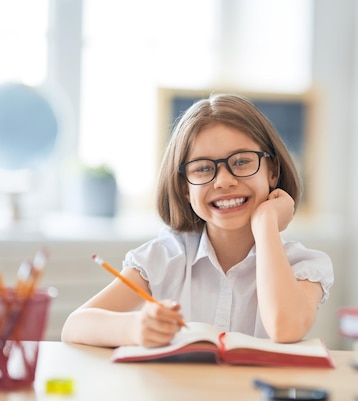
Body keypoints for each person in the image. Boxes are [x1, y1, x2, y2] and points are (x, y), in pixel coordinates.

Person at [61, 93, 334, 348]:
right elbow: (74, 327)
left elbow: (285, 328)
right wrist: (134, 328)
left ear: (272, 172)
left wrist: (266, 224)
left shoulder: (305, 266)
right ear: (184, 189)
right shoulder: (164, 258)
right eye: (203, 168)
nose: (225, 181)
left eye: (241, 162)